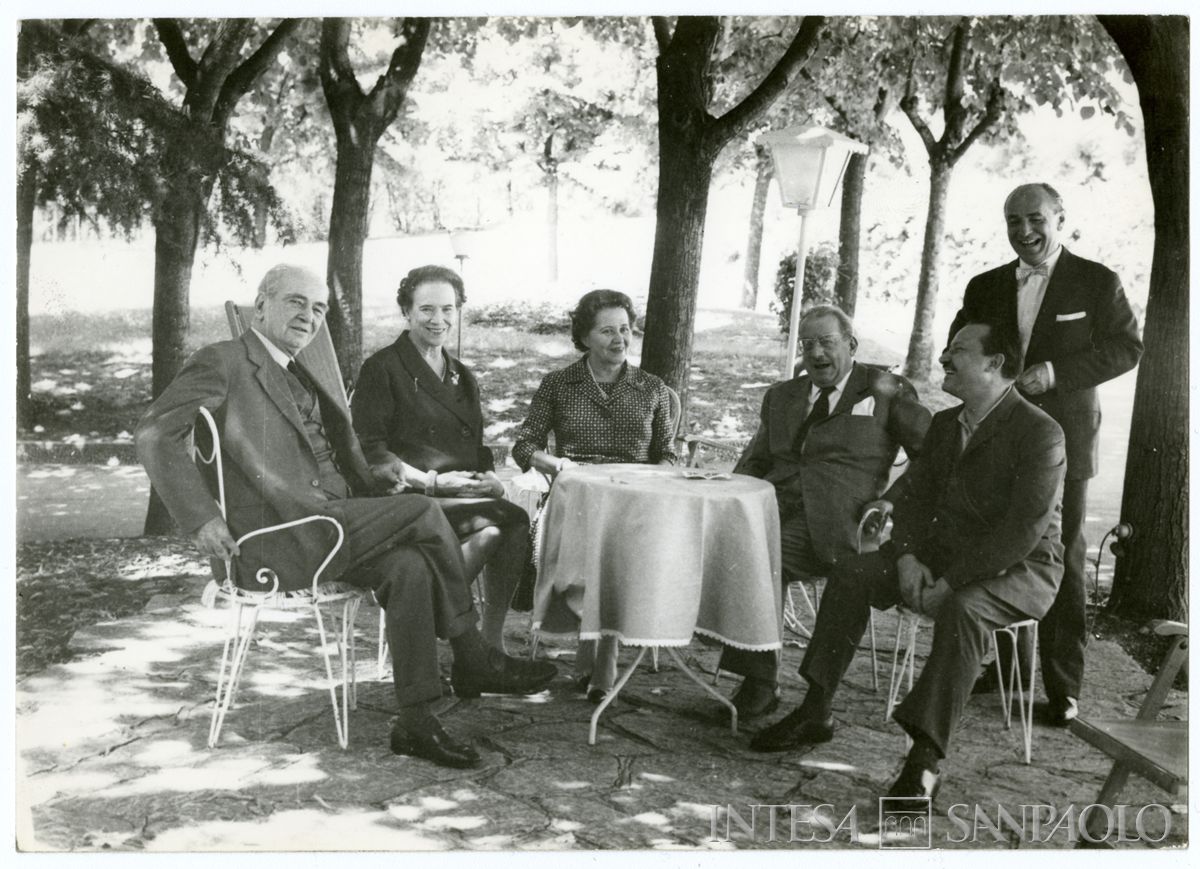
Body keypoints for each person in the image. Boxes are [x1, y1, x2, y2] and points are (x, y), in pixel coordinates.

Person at [136, 264, 555, 770]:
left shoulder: (296, 369)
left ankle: (416, 722)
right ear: (261, 304)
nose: (308, 317)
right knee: (422, 511)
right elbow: (156, 434)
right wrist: (202, 518)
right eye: (296, 303)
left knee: (410, 567)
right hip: (278, 538)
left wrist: (390, 480)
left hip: (330, 523)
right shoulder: (222, 361)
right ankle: (471, 653)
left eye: (318, 309)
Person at [750, 319, 1066, 808]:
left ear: (995, 363)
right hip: (941, 558)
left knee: (965, 609)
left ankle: (924, 761)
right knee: (853, 572)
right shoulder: (945, 424)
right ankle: (816, 709)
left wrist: (950, 581)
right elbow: (915, 503)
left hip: (1019, 570)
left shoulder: (1040, 433)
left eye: (957, 351)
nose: (943, 358)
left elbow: (1019, 533)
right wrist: (906, 558)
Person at [949, 183, 1143, 726]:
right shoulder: (984, 285)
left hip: (1067, 439)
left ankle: (1063, 687)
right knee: (1002, 543)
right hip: (1000, 438)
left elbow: (1127, 346)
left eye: (1035, 219)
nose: (1024, 232)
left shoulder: (1096, 281)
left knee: (1062, 558)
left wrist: (1057, 373)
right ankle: (1007, 670)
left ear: (1061, 218)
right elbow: (959, 338)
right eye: (1013, 221)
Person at [717, 305, 931, 719]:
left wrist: (893, 500)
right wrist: (730, 499)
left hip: (842, 522)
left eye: (827, 342)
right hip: (775, 508)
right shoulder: (781, 396)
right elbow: (755, 461)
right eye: (807, 344)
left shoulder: (885, 389)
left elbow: (932, 457)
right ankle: (757, 675)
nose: (816, 353)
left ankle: (760, 682)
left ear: (850, 345)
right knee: (731, 542)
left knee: (760, 555)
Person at [352, 265, 529, 653]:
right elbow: (370, 452)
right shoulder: (382, 368)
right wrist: (431, 482)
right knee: (513, 519)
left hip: (458, 496)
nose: (439, 320)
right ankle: (443, 625)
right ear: (406, 311)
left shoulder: (461, 374)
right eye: (427, 309)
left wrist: (492, 479)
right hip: (406, 499)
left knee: (495, 532)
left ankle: (487, 639)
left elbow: (476, 447)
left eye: (448, 310)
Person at [512, 289, 677, 702]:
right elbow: (524, 446)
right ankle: (600, 660)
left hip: (634, 506)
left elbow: (668, 457)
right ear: (584, 337)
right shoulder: (559, 384)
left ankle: (601, 661)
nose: (620, 339)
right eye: (607, 331)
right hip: (576, 501)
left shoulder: (652, 388)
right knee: (599, 548)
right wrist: (562, 467)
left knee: (616, 547)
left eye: (625, 329)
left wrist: (650, 480)